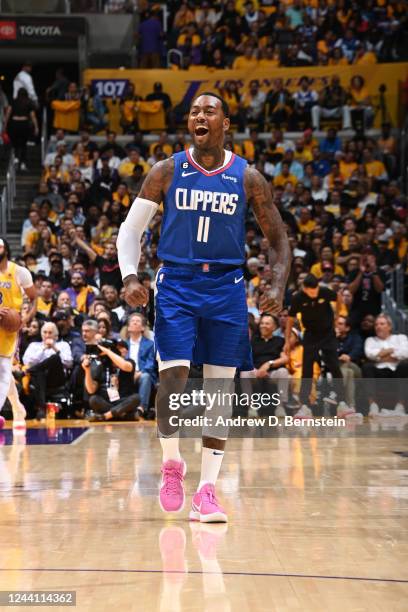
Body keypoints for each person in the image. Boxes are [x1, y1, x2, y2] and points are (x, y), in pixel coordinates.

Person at [117, 92, 290, 522]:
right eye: (194, 111)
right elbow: (129, 232)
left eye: (208, 111)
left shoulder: (248, 177)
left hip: (228, 287)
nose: (199, 116)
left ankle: (207, 490)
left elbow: (280, 241)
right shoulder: (166, 171)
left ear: (224, 123)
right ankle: (172, 464)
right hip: (176, 282)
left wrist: (278, 284)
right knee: (172, 378)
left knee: (220, 389)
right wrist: (130, 277)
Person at [285, 274, 351, 417]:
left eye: (316, 291)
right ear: (304, 288)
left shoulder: (324, 291)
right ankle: (305, 406)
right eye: (311, 292)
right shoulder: (297, 298)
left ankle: (342, 403)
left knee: (334, 366)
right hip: (310, 335)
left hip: (327, 334)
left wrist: (337, 316)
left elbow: (338, 297)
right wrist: (286, 341)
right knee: (306, 369)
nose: (314, 294)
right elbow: (290, 320)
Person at [0, 238, 36, 429]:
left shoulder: (19, 272)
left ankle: (14, 408)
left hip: (8, 329)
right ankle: (16, 407)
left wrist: (25, 319)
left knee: (4, 369)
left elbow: (33, 298)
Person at [240, 313, 289, 415]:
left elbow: (285, 358)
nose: (263, 326)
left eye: (267, 323)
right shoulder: (252, 341)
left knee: (283, 372)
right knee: (244, 372)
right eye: (262, 323)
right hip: (256, 373)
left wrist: (269, 364)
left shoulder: (280, 341)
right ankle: (251, 408)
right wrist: (255, 370)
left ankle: (280, 407)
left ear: (274, 327)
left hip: (272, 373)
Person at [22, 321, 73, 420]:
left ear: (56, 335)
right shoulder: (34, 346)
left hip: (56, 379)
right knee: (38, 372)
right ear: (41, 334)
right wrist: (43, 349)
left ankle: (24, 373)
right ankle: (41, 408)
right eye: (45, 332)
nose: (47, 335)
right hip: (39, 379)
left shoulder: (63, 345)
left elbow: (69, 363)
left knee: (54, 358)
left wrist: (54, 348)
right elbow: (27, 362)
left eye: (50, 333)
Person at [83, 339, 142, 422]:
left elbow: (125, 366)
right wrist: (87, 370)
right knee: (93, 399)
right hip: (107, 402)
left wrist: (108, 351)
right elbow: (91, 390)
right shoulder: (102, 366)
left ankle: (105, 416)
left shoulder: (129, 361)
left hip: (123, 401)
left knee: (136, 398)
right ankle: (123, 415)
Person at [362, 314, 408, 417]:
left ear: (390, 326)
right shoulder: (370, 340)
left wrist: (381, 355)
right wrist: (392, 351)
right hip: (378, 370)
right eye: (376, 324)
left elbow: (406, 353)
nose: (378, 326)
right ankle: (373, 406)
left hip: (397, 370)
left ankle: (400, 406)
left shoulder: (400, 338)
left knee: (405, 366)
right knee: (367, 366)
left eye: (382, 324)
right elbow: (370, 354)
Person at [125, 313, 156, 415]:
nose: (134, 322)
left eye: (137, 321)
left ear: (142, 327)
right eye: (132, 321)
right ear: (128, 327)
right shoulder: (123, 344)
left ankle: (141, 408)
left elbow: (150, 364)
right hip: (126, 373)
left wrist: (139, 373)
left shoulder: (149, 344)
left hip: (142, 373)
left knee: (145, 376)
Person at [3, 88, 39, 172]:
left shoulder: (14, 101)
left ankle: (16, 159)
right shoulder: (28, 102)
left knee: (15, 143)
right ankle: (23, 163)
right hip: (24, 124)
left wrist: (5, 126)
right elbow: (33, 116)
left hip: (14, 124)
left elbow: (8, 114)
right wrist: (36, 127)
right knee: (23, 144)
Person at [335, 315, 363, 414]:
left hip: (355, 368)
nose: (337, 325)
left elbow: (358, 349)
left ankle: (335, 394)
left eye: (340, 324)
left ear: (347, 328)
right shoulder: (331, 339)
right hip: (339, 370)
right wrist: (333, 339)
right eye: (336, 323)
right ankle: (351, 407)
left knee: (347, 365)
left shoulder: (355, 337)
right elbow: (325, 353)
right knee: (348, 372)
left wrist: (349, 356)